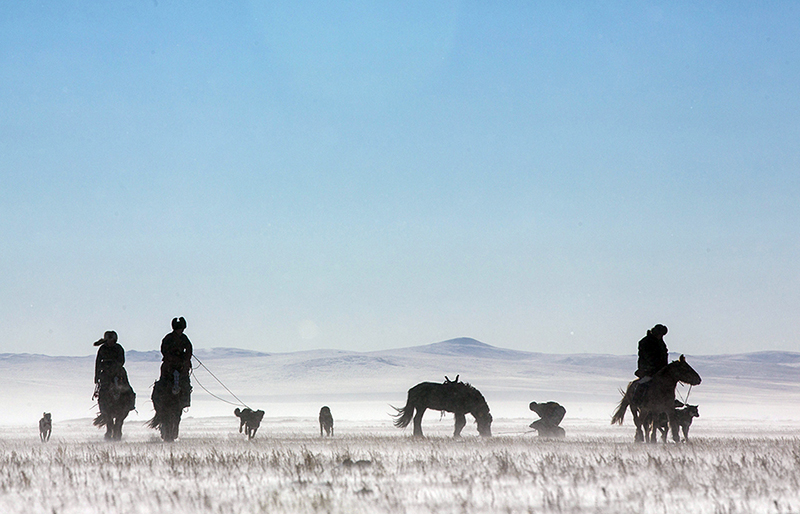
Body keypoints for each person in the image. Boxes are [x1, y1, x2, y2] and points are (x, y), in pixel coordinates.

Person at [160, 317, 193, 402]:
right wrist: (172, 358)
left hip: (181, 364)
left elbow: (189, 349)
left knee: (185, 380)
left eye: (181, 329)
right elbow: (164, 350)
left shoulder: (184, 338)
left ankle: (185, 398)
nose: (180, 331)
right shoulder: (168, 338)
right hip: (170, 363)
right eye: (179, 329)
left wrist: (186, 359)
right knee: (164, 379)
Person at [93, 330, 128, 397]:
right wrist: (97, 375)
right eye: (109, 340)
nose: (110, 342)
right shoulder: (102, 348)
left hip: (117, 371)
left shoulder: (118, 348)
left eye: (111, 340)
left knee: (125, 386)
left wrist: (115, 367)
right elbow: (98, 362)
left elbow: (121, 361)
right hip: (106, 372)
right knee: (103, 388)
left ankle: (129, 399)